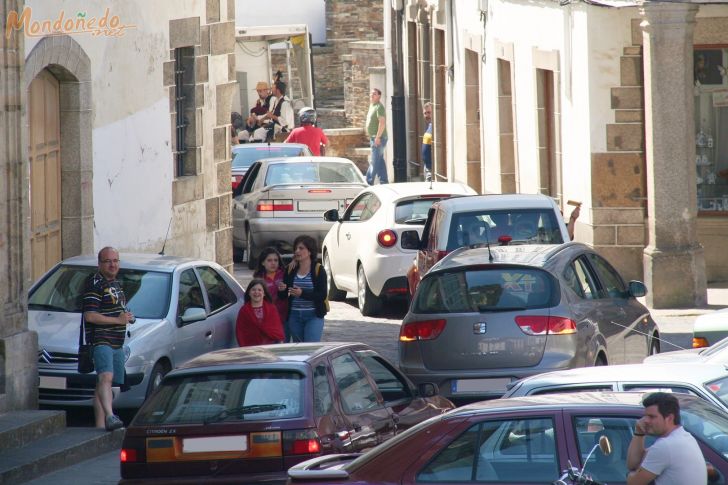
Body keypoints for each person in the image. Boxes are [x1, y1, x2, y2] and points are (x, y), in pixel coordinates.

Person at [82, 247, 135, 431]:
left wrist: (127, 316)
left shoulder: (115, 284)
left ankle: (100, 425)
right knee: (106, 377)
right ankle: (111, 417)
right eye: (108, 261)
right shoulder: (95, 283)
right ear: (99, 264)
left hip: (117, 342)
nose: (112, 264)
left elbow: (117, 309)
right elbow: (90, 316)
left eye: (115, 261)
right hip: (101, 340)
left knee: (105, 383)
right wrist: (117, 320)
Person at [626, 392, 707, 485]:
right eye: (646, 416)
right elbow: (634, 464)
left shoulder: (666, 445)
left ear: (669, 418)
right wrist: (639, 433)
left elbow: (633, 482)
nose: (646, 420)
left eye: (652, 417)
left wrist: (630, 474)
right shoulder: (684, 437)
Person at [280, 235, 328, 342]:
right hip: (294, 316)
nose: (297, 251)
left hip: (314, 315)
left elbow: (322, 295)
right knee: (300, 349)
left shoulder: (318, 269)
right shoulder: (290, 269)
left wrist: (302, 293)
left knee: (310, 349)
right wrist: (282, 289)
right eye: (296, 248)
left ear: (310, 251)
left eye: (301, 248)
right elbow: (283, 296)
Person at [235, 279, 284, 346]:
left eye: (259, 290)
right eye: (253, 290)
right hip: (251, 347)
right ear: (249, 293)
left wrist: (280, 343)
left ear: (264, 293)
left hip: (270, 346)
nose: (256, 292)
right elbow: (240, 331)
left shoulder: (271, 309)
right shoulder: (244, 310)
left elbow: (277, 329)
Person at [253, 247, 288, 327]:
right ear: (263, 262)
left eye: (276, 260)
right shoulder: (259, 278)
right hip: (267, 318)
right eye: (269, 260)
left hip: (285, 317)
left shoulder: (284, 274)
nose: (273, 263)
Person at [365, 88, 389, 185]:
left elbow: (382, 123)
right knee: (379, 160)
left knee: (374, 161)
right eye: (371, 94)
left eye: (374, 94)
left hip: (379, 138)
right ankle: (384, 181)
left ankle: (368, 182)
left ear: (379, 96)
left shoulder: (379, 107)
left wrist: (378, 137)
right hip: (374, 138)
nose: (372, 95)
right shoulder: (372, 106)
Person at [421, 101, 433, 182]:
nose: (427, 115)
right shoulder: (429, 126)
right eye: (425, 113)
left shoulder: (435, 127)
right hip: (427, 166)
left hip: (431, 169)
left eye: (429, 112)